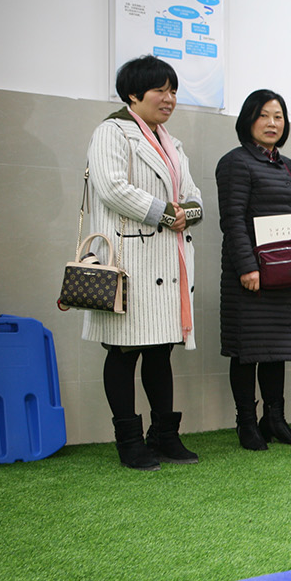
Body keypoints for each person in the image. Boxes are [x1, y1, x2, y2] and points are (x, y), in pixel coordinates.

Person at [84, 55, 204, 471]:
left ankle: (164, 435)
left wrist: (189, 211)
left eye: (173, 91)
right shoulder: (112, 132)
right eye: (160, 90)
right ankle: (130, 442)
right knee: (123, 351)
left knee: (160, 351)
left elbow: (194, 195)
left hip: (168, 261)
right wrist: (169, 214)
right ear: (134, 94)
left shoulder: (172, 142)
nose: (169, 98)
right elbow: (112, 188)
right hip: (130, 261)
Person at [216, 89, 291, 450]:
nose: (272, 123)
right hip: (251, 274)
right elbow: (232, 220)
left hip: (286, 273)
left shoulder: (287, 165)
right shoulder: (235, 162)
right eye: (264, 116)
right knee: (247, 350)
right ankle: (246, 423)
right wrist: (247, 267)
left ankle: (274, 419)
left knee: (277, 348)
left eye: (278, 116)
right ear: (248, 120)